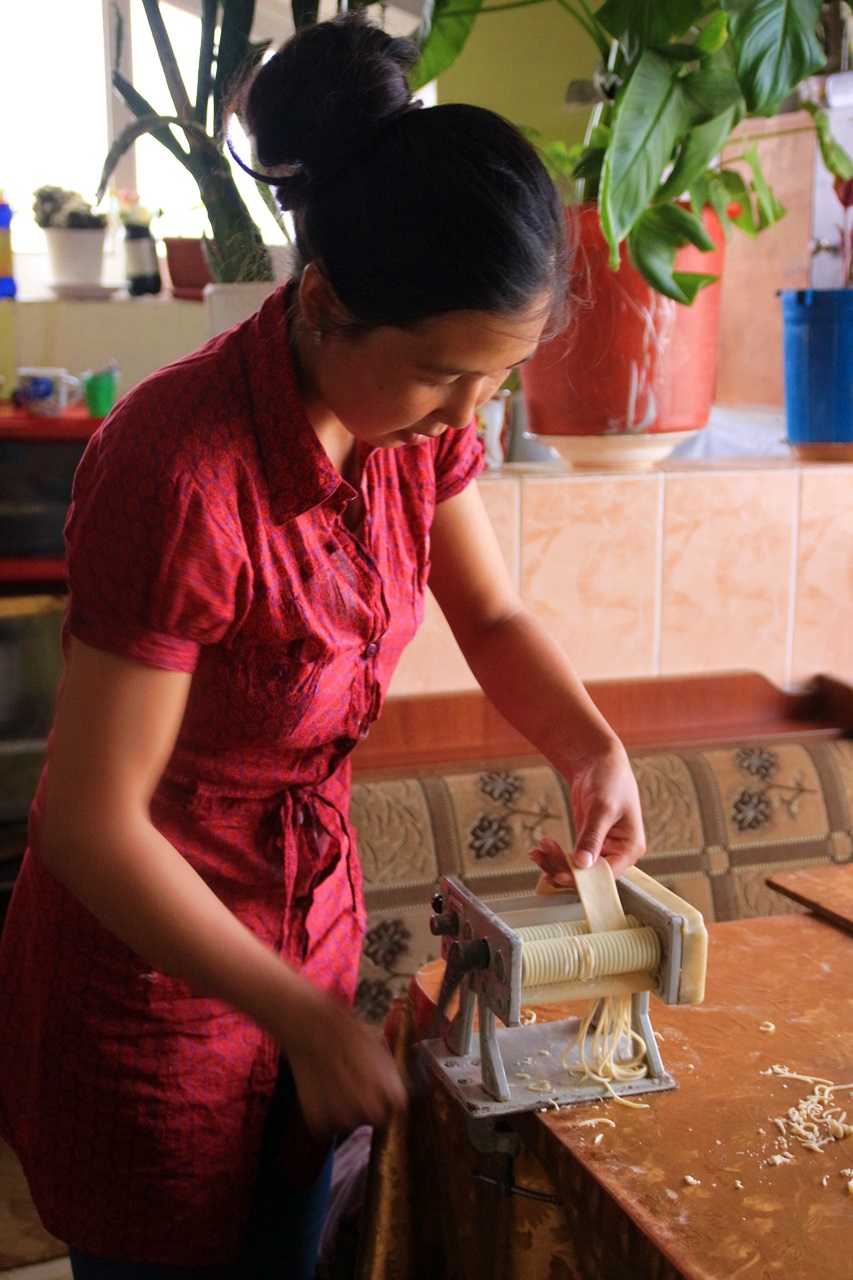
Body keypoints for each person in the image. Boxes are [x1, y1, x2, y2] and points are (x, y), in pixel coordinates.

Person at [0, 12, 645, 1278]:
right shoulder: (181, 469)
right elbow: (88, 821)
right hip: (152, 991)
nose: (467, 418)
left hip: (309, 947)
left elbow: (495, 615)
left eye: (495, 381)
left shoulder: (411, 433)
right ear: (326, 299)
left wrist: (591, 745)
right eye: (441, 375)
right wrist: (293, 1010)